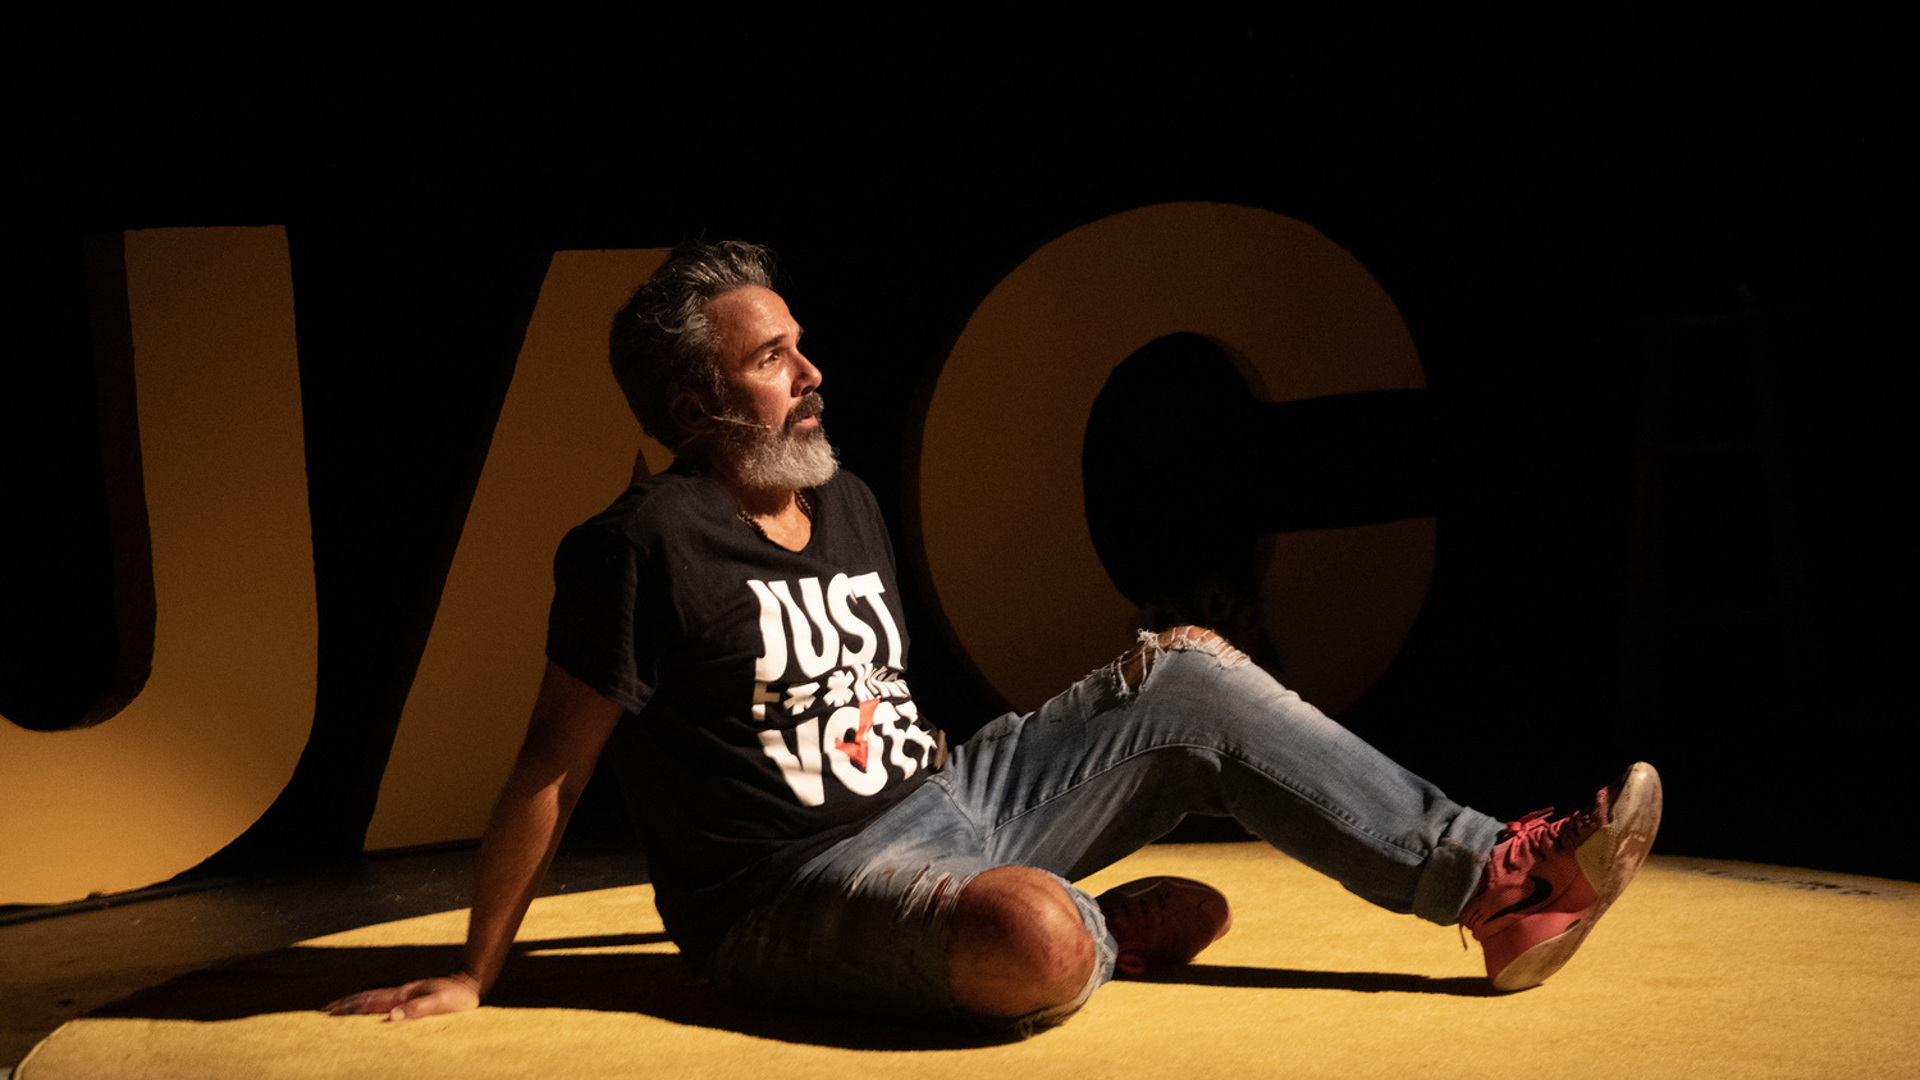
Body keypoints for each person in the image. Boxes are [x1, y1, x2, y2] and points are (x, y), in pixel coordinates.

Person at [325, 240, 1662, 1031]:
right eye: (775, 356)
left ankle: (1495, 882)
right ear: (699, 399)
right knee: (1031, 937)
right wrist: (472, 969)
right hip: (790, 896)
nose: (813, 370)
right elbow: (549, 773)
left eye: (801, 345)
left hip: (946, 804)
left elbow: (876, 702)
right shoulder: (637, 547)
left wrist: (995, 792)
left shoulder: (840, 498)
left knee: (1187, 666)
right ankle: (1082, 933)